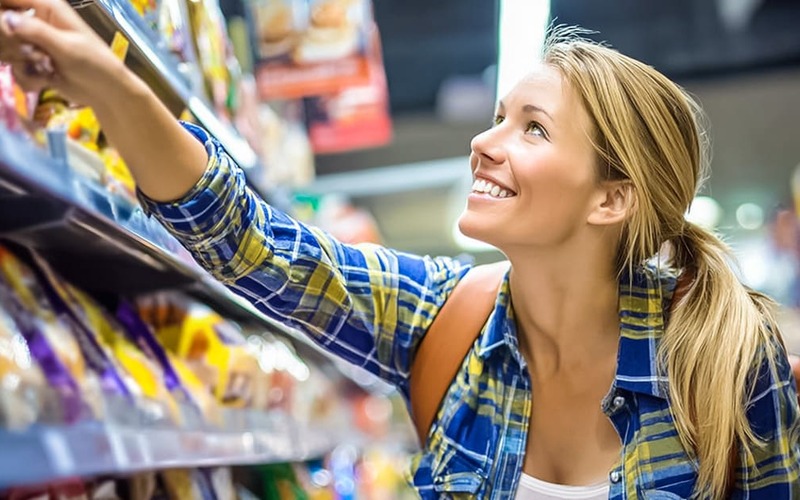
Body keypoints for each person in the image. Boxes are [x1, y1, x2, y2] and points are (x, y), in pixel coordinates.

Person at [0, 1, 798, 498]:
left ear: (611, 198)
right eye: (499, 115)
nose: (485, 143)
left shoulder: (723, 363)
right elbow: (247, 241)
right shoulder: (445, 322)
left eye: (534, 128)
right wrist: (105, 78)